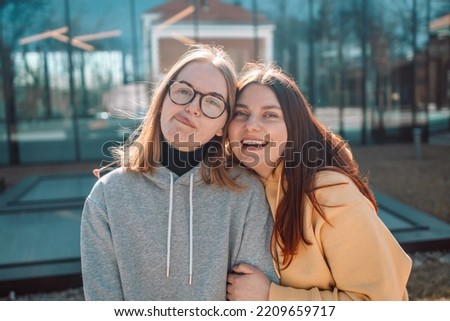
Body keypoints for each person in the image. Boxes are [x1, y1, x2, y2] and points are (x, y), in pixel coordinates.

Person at [80, 45, 276, 301]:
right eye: (184, 91)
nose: (194, 107)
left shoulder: (245, 194)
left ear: (222, 126)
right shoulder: (107, 195)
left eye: (213, 102)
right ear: (162, 100)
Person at [226, 62, 412, 301]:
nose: (251, 125)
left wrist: (272, 298)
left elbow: (380, 303)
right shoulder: (238, 187)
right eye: (241, 113)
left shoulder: (330, 193)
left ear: (294, 128)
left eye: (270, 115)